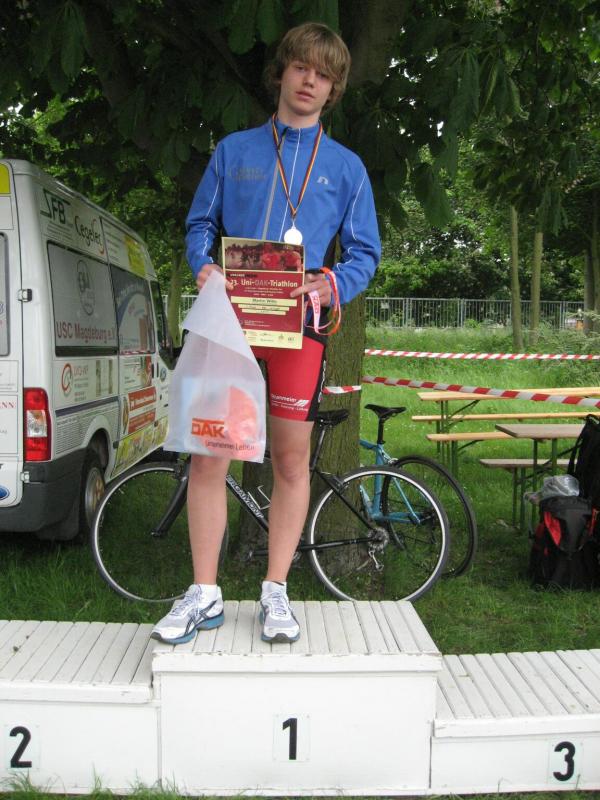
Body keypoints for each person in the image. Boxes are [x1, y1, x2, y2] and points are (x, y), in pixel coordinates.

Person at [152, 21, 381, 645]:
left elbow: (365, 252)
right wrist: (202, 264)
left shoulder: (348, 168)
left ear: (333, 89)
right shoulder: (234, 151)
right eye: (302, 67)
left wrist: (330, 283)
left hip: (298, 329)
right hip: (231, 324)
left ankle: (276, 589)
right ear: (282, 72)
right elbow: (200, 225)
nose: (310, 81)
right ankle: (204, 593)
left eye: (324, 74)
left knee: (290, 459)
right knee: (210, 453)